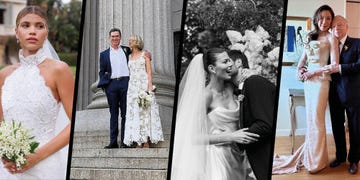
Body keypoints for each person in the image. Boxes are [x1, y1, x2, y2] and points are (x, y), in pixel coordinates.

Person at [0, 6, 74, 179]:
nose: (32, 31)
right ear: (16, 32)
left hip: (45, 165)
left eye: (39, 26)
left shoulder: (59, 70)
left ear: (46, 33)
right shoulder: (4, 74)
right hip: (8, 167)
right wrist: (6, 153)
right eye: (26, 25)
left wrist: (37, 156)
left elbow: (73, 124)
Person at [171, 48, 259, 180]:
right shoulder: (206, 96)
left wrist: (251, 73)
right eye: (225, 61)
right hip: (218, 158)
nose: (230, 63)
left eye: (229, 59)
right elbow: (193, 138)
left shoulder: (232, 87)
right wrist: (231, 137)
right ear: (212, 68)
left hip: (240, 156)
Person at [273, 4, 339, 174]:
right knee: (310, 121)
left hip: (322, 82)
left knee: (317, 120)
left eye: (329, 18)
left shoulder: (332, 38)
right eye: (322, 17)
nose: (325, 21)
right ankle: (311, 157)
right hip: (309, 83)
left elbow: (334, 65)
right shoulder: (310, 36)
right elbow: (302, 60)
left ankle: (318, 162)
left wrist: (313, 72)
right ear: (317, 18)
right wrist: (300, 71)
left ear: (331, 20)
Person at [229, 49, 276, 180]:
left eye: (227, 61)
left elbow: (265, 124)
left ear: (238, 63)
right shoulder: (237, 90)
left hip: (265, 158)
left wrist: (233, 143)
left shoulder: (254, 82)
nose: (224, 66)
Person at [325, 15, 360, 174]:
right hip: (334, 94)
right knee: (337, 127)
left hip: (354, 95)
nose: (336, 29)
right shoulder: (328, 45)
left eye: (339, 25)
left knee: (355, 128)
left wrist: (339, 68)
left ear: (346, 26)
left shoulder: (358, 43)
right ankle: (340, 156)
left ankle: (354, 160)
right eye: (333, 26)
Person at [123, 35, 164, 148]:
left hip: (143, 85)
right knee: (134, 113)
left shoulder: (145, 54)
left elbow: (149, 72)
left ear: (136, 42)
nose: (129, 42)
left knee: (145, 112)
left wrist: (149, 87)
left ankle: (146, 140)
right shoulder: (129, 56)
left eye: (131, 40)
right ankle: (138, 140)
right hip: (132, 88)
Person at [98, 28, 131, 149]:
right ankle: (113, 141)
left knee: (125, 113)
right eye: (113, 36)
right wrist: (105, 86)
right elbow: (101, 71)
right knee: (113, 114)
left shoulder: (126, 50)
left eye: (117, 36)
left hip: (125, 83)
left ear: (120, 37)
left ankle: (125, 141)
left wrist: (147, 55)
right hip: (111, 85)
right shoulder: (104, 54)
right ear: (109, 38)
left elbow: (138, 54)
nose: (115, 38)